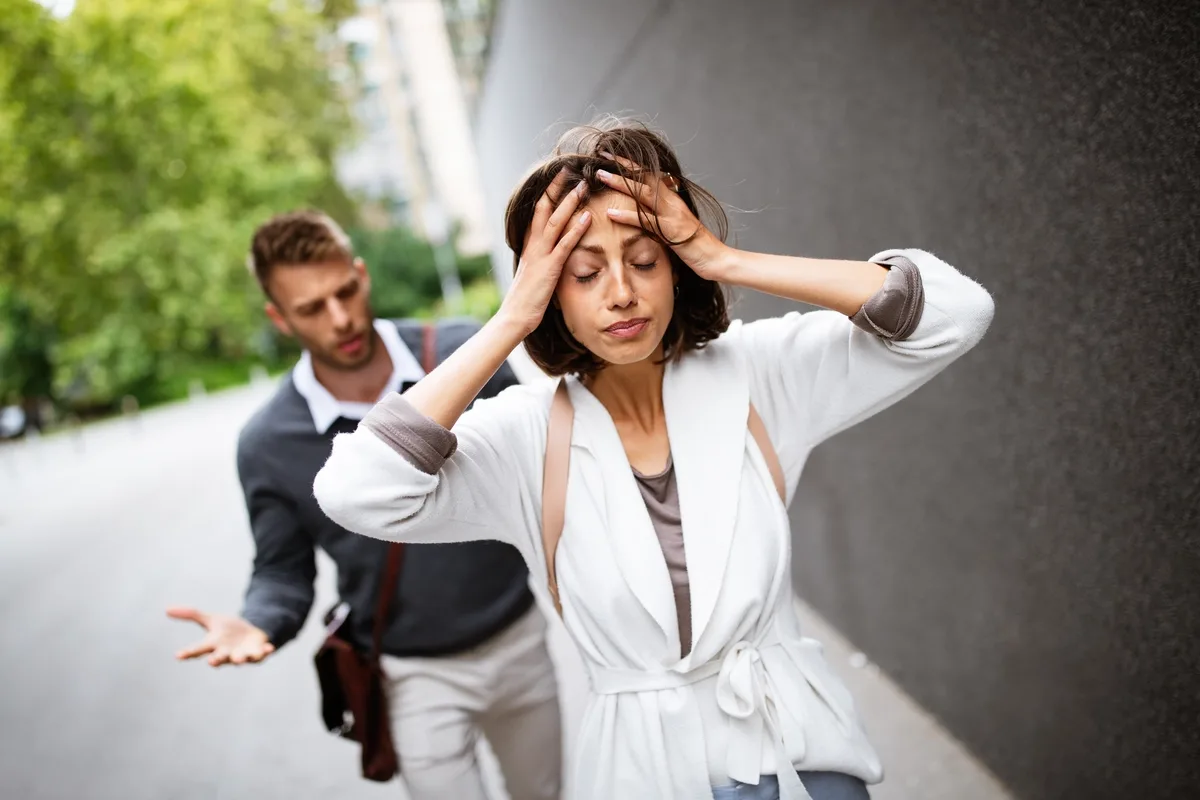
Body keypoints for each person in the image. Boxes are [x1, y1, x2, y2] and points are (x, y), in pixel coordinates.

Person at [313, 120, 995, 800]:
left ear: (677, 266)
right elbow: (356, 490)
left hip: (798, 754)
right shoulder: (526, 436)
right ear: (551, 290)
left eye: (645, 260)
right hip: (646, 772)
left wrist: (725, 259)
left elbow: (956, 313)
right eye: (583, 273)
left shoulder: (756, 374)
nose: (620, 293)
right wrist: (510, 319)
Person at [166, 210, 562, 800]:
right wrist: (259, 622)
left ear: (362, 274)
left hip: (519, 639)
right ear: (279, 318)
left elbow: (546, 469)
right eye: (311, 308)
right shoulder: (268, 442)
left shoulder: (460, 353)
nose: (341, 318)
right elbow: (282, 570)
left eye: (345, 291)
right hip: (412, 674)